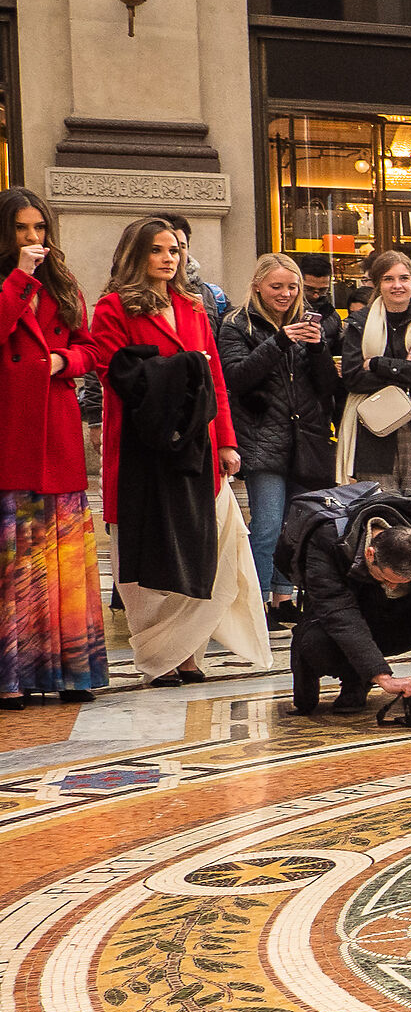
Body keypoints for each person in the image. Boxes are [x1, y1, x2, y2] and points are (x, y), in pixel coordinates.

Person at [85, 216, 253, 686]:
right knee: (145, 553)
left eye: (174, 250)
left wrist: (226, 440)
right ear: (136, 254)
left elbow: (215, 377)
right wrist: (183, 367)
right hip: (141, 447)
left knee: (200, 548)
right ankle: (157, 657)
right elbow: (113, 373)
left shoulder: (194, 306)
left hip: (196, 448)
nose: (168, 258)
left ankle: (188, 654)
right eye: (158, 250)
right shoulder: (113, 308)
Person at [0, 189, 104, 705]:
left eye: (39, 228)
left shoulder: (63, 283)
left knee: (60, 557)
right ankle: (12, 676)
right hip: (10, 430)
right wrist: (20, 276)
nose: (34, 238)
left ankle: (68, 671)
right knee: (14, 558)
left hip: (55, 428)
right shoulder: (10, 282)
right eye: (22, 229)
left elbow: (91, 346)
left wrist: (67, 362)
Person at [215, 253, 338, 629]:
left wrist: (318, 348)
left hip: (307, 439)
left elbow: (328, 387)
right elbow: (235, 377)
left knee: (297, 526)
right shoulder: (236, 324)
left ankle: (285, 598)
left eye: (292, 287)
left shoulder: (312, 323)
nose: (285, 294)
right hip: (260, 438)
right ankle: (259, 599)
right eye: (276, 287)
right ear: (257, 286)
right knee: (267, 524)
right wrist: (279, 341)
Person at [286, 500, 411, 715]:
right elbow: (340, 615)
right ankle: (355, 676)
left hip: (400, 617)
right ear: (370, 554)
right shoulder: (325, 540)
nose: (394, 587)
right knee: (314, 641)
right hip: (349, 624)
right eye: (388, 579)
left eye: (404, 582)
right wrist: (383, 677)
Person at [336, 250, 411, 501]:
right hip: (373, 432)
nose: (397, 286)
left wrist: (380, 364)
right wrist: (409, 372)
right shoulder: (358, 323)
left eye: (404, 278)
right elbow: (353, 379)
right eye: (389, 279)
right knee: (381, 516)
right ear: (378, 284)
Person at [161, 214, 231, 324]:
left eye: (181, 246)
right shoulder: (132, 296)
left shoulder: (212, 295)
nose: (172, 255)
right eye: (158, 249)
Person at [296, 252, 340, 323]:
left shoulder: (332, 316)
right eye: (309, 289)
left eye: (322, 290)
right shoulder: (284, 311)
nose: (315, 296)